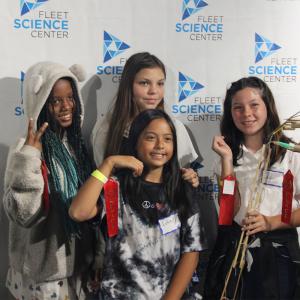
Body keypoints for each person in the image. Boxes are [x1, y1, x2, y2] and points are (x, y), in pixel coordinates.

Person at [70, 109, 205, 299]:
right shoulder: (115, 187)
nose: (160, 145)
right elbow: (78, 212)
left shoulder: (182, 190)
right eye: (151, 138)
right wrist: (108, 164)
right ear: (135, 141)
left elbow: (191, 252)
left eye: (167, 139)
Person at [3, 61, 94, 300]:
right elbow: (23, 215)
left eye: (70, 97)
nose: (66, 106)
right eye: (55, 100)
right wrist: (31, 157)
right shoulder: (24, 149)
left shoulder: (76, 146)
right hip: (41, 278)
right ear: (40, 103)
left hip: (74, 270)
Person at [204, 76, 300, 299]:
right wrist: (227, 160)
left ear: (268, 107)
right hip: (235, 249)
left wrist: (270, 222)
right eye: (238, 107)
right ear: (230, 113)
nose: (246, 113)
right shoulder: (225, 157)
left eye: (254, 105)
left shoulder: (289, 154)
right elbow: (227, 213)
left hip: (279, 252)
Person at [91, 52, 200, 176]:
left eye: (160, 83)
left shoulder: (175, 127)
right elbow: (100, 179)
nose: (153, 91)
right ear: (128, 85)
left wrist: (189, 176)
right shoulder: (106, 129)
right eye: (144, 83)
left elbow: (181, 174)